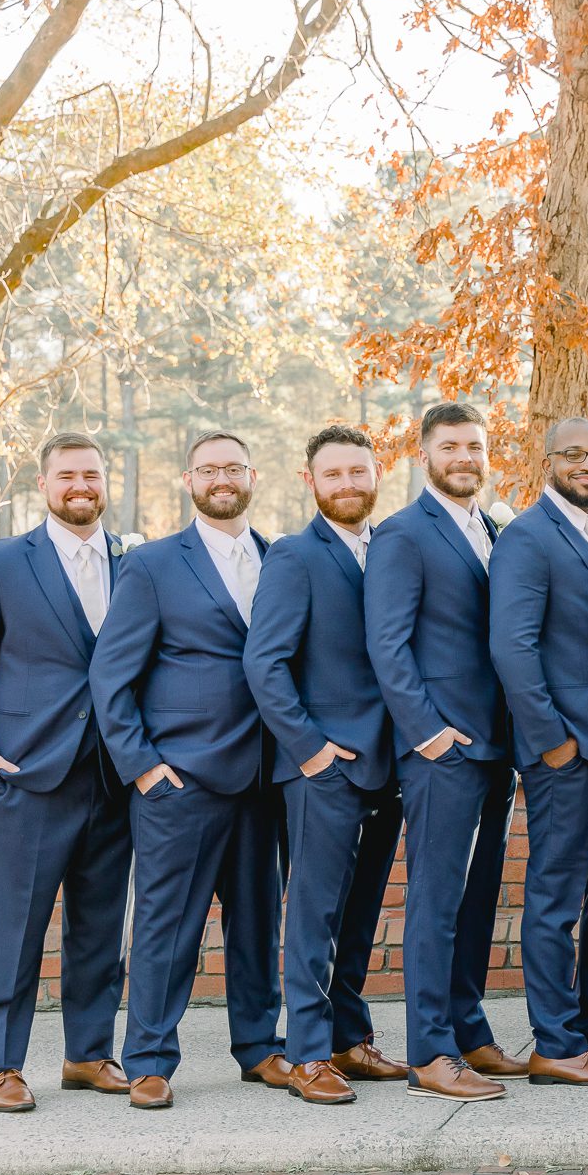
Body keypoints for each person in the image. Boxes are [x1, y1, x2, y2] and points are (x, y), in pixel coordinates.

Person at [90, 431, 287, 1109]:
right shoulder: (150, 564)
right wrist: (143, 768)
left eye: (234, 466)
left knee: (259, 922)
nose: (223, 478)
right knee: (166, 927)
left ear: (252, 475)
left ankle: (260, 1048)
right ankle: (147, 1057)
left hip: (264, 779)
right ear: (188, 479)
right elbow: (110, 677)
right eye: (210, 468)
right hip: (180, 781)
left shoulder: (278, 557)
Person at [0, 433, 134, 1112]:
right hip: (24, 777)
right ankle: (0, 1063)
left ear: (104, 481)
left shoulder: (131, 559)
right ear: (44, 482)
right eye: (67, 476)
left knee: (100, 928)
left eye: (91, 474)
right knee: (13, 928)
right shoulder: (1, 562)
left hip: (111, 779)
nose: (80, 486)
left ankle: (86, 1053)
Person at [242, 426, 408, 1105]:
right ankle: (307, 1051)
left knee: (362, 912)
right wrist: (310, 749)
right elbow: (264, 661)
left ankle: (347, 1034)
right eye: (333, 474)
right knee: (313, 913)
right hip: (323, 770)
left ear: (377, 475)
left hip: (391, 762)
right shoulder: (294, 555)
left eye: (358, 472)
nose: (348, 484)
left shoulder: (392, 549)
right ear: (311, 481)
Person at [366, 401, 519, 1101]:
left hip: (496, 746)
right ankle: (430, 1050)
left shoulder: (494, 530)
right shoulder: (402, 533)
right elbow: (387, 644)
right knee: (435, 898)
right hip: (442, 749)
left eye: (476, 446)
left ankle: (468, 1029)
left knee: (479, 896)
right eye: (451, 445)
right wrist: (427, 731)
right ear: (424, 455)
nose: (465, 457)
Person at [490, 416, 588, 1086]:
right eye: (575, 454)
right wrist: (552, 741)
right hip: (567, 751)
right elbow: (513, 646)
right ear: (547, 461)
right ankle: (554, 1042)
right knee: (554, 898)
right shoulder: (529, 537)